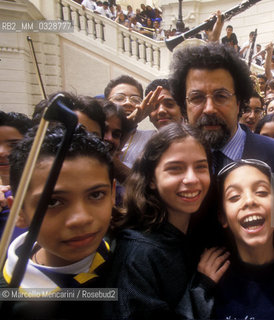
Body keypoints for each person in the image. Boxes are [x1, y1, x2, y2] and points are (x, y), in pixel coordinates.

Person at [1, 126, 115, 319]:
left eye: (96, 195)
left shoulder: (126, 249)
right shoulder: (10, 299)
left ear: (112, 194)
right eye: (52, 202)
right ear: (19, 211)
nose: (81, 219)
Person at [104, 123, 213, 319]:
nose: (191, 179)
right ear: (152, 178)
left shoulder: (198, 234)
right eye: (175, 169)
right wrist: (202, 288)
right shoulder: (137, 254)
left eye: (200, 167)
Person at [191, 159, 274, 320]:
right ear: (223, 217)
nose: (249, 201)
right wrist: (202, 288)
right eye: (234, 196)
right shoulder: (209, 280)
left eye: (261, 192)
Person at [169, 43, 274, 174]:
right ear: (184, 105)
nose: (209, 109)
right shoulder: (170, 161)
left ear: (239, 101)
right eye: (197, 97)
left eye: (221, 96)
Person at [104, 75, 163, 168]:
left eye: (135, 100)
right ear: (106, 103)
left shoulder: (151, 138)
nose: (128, 103)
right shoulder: (96, 131)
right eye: (119, 98)